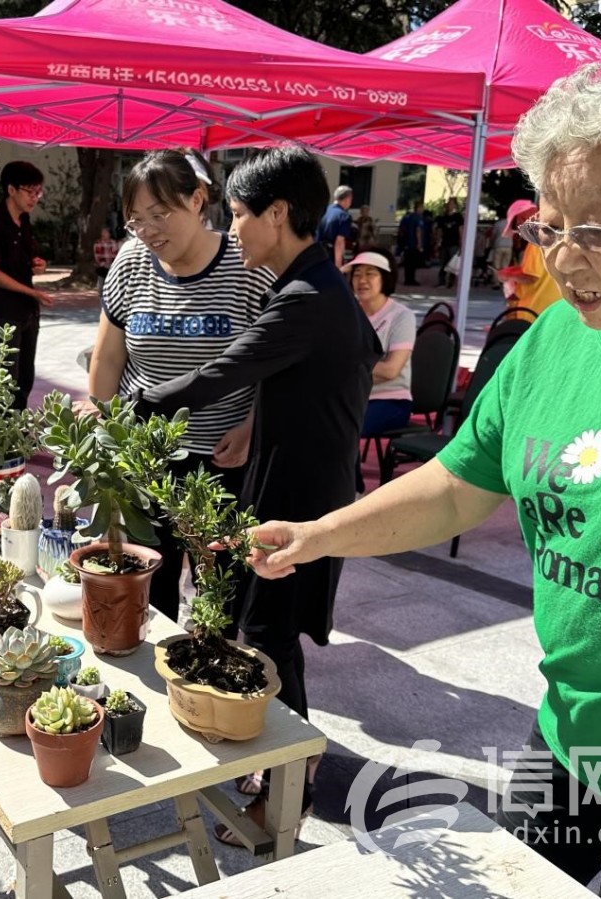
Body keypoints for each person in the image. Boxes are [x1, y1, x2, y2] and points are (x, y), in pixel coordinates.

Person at [244, 66, 601, 897]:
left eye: (599, 229)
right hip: (570, 743)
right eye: (552, 227)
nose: (565, 259)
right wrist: (321, 534)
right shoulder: (557, 341)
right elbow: (462, 484)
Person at [126, 145, 379, 843]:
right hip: (292, 485)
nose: (233, 230)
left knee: (270, 639)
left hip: (300, 503)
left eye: (238, 215)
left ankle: (288, 798)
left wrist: (138, 402)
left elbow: (225, 369)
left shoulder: (306, 298)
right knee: (264, 631)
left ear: (276, 214)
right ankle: (276, 768)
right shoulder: (318, 286)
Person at [87, 148, 274, 624]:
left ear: (197, 200)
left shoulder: (246, 265)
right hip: (143, 451)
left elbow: (278, 362)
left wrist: (254, 426)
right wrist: (105, 436)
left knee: (219, 583)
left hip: (221, 455)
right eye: (136, 220)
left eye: (160, 214)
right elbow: (108, 358)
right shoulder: (132, 263)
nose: (149, 231)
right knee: (148, 579)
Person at [0, 160, 53, 410]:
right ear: (11, 189)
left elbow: (25, 263)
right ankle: (4, 440)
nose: (35, 198)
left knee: (24, 379)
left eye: (38, 192)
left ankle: (19, 433)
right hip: (4, 313)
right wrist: (32, 292)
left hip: (27, 312)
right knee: (4, 382)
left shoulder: (24, 222)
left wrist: (38, 266)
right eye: (30, 191)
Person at [345, 250, 413, 494]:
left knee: (344, 427)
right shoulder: (349, 313)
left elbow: (391, 369)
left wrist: (344, 370)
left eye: (370, 274)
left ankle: (352, 494)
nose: (362, 280)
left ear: (385, 278)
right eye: (357, 274)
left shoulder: (401, 317)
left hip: (390, 401)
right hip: (354, 397)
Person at [497, 198, 564, 316]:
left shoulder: (535, 242)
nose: (518, 231)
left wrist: (506, 275)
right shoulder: (553, 236)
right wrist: (515, 271)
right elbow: (540, 272)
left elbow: (531, 277)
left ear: (522, 218)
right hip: (552, 308)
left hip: (534, 310)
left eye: (515, 225)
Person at [315, 184, 353, 267]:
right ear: (348, 199)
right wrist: (338, 267)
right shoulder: (344, 216)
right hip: (329, 255)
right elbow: (339, 243)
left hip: (315, 252)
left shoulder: (323, 210)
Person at [436, 197, 463, 288]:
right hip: (445, 243)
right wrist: (437, 242)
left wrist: (461, 241)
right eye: (449, 204)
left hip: (454, 243)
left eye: (452, 204)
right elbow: (440, 230)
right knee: (443, 262)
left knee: (453, 264)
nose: (450, 206)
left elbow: (460, 230)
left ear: (455, 205)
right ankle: (441, 281)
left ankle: (451, 282)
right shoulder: (443, 218)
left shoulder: (458, 217)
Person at [397, 200, 425, 286]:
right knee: (412, 263)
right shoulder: (417, 218)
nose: (423, 209)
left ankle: (407, 279)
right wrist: (419, 244)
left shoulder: (407, 217)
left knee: (407, 263)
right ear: (418, 208)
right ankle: (411, 280)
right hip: (413, 243)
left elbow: (401, 230)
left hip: (406, 243)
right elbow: (418, 231)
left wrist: (402, 241)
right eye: (422, 208)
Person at [93, 226, 118, 293]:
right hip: (102, 267)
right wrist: (103, 264)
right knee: (100, 287)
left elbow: (115, 255)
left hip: (112, 267)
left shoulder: (113, 243)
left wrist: (111, 265)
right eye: (102, 232)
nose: (103, 234)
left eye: (105, 232)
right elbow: (97, 256)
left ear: (109, 234)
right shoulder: (98, 243)